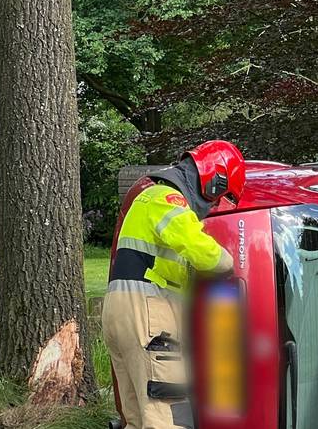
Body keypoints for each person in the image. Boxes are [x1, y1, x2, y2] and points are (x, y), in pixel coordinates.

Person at [104, 140, 241, 429]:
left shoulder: (146, 198)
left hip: (120, 314)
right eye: (221, 196)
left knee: (137, 419)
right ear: (214, 181)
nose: (216, 204)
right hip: (148, 315)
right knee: (167, 416)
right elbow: (205, 253)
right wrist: (231, 264)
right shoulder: (166, 199)